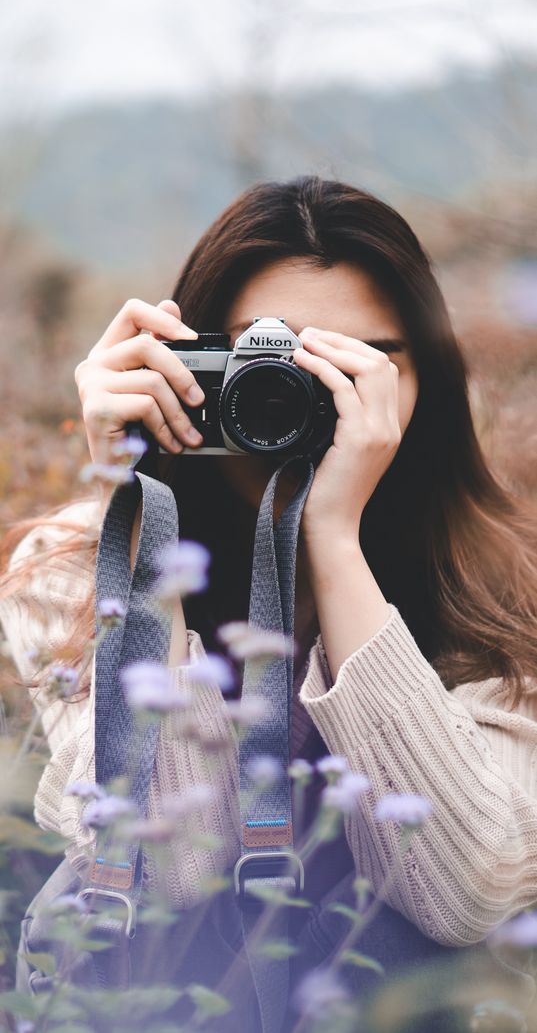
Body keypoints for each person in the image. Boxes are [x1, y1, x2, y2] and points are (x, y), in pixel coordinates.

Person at [2, 176, 537, 1028]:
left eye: (356, 363)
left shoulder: (507, 581)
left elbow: (466, 890)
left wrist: (333, 539)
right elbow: (168, 871)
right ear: (181, 364)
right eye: (272, 362)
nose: (310, 397)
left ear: (427, 376)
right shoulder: (63, 569)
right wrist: (128, 502)